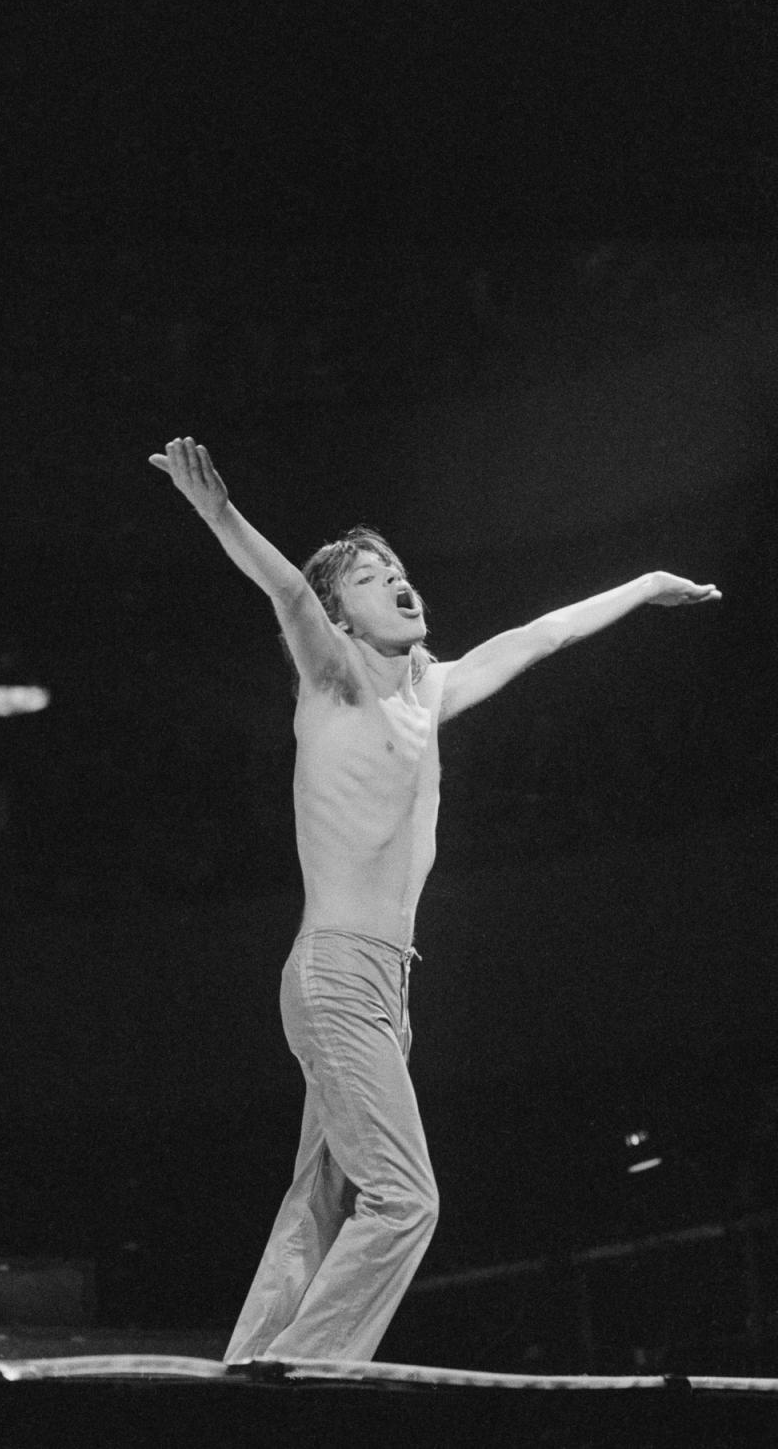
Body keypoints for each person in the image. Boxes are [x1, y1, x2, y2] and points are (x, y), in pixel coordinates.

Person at [149, 436, 721, 1364]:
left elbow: (543, 634)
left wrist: (647, 580)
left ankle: (248, 1368)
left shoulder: (431, 690)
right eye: (374, 579)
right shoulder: (331, 683)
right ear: (342, 617)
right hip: (336, 975)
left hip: (386, 991)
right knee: (407, 1198)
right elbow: (291, 593)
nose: (400, 582)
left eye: (400, 571)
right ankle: (304, 1372)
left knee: (324, 1197)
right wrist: (216, 512)